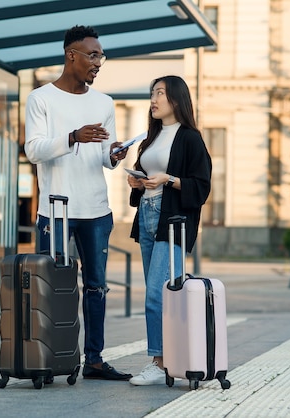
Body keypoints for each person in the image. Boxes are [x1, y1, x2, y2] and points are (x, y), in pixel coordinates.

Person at [24, 25, 132, 381]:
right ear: (72, 55)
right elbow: (33, 149)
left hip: (96, 211)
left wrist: (115, 154)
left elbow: (104, 155)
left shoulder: (104, 103)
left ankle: (96, 360)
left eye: (101, 56)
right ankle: (49, 358)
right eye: (93, 55)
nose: (98, 63)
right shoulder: (41, 99)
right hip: (56, 211)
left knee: (97, 287)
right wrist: (72, 136)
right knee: (51, 285)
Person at [126, 75, 212, 385]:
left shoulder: (189, 138)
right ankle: (167, 358)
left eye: (160, 93)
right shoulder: (151, 138)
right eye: (152, 93)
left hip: (173, 223)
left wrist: (168, 180)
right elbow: (145, 183)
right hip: (148, 218)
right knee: (160, 293)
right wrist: (137, 182)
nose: (154, 99)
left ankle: (158, 361)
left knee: (155, 294)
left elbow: (201, 187)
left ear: (176, 99)